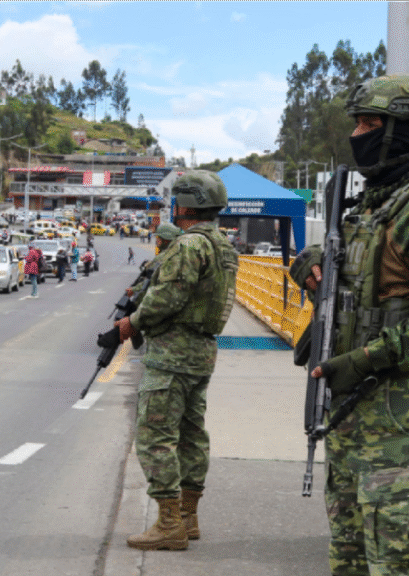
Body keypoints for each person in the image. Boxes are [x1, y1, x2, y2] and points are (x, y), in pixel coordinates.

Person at [291, 74, 409, 576]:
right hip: (353, 410)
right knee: (349, 561)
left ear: (405, 131)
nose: (357, 135)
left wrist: (364, 360)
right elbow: (345, 262)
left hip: (402, 416)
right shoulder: (373, 205)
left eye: (370, 124)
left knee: (398, 565)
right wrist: (311, 261)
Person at [116, 170, 238, 551]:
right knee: (191, 435)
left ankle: (169, 523)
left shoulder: (188, 246)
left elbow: (166, 298)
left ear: (185, 205)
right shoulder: (223, 246)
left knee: (155, 436)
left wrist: (132, 322)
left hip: (172, 353)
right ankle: (188, 517)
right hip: (201, 352)